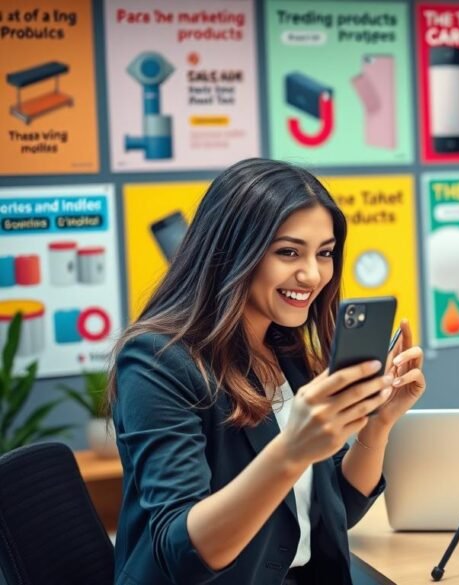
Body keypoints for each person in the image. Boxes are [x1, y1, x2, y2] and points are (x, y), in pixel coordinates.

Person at [108, 159, 427, 584]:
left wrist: (377, 424)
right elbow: (185, 554)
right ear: (232, 253)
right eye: (288, 252)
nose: (312, 275)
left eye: (325, 253)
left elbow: (337, 511)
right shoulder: (156, 360)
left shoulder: (287, 351)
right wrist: (292, 451)